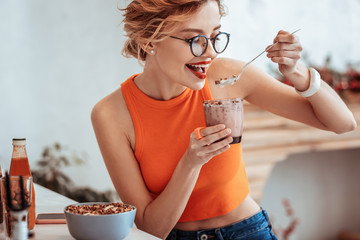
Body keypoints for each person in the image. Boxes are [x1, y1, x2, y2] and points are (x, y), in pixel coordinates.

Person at [91, 0, 357, 239]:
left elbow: (342, 124)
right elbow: (151, 229)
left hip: (248, 232)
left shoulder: (227, 76)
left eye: (215, 36)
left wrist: (297, 73)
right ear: (149, 41)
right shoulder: (111, 115)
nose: (209, 53)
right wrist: (190, 163)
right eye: (194, 39)